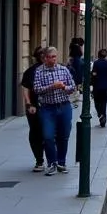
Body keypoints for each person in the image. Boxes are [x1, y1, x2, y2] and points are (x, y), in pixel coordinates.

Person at [33, 46, 76, 175]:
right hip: (48, 108)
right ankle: (52, 162)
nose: (52, 60)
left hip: (64, 106)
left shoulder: (64, 70)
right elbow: (37, 89)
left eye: (54, 57)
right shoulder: (39, 71)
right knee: (48, 136)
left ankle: (61, 163)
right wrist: (52, 86)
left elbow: (72, 86)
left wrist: (64, 87)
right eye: (49, 57)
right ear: (44, 58)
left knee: (64, 136)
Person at [21, 46, 45, 172]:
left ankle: (42, 160)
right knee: (36, 133)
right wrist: (29, 104)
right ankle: (40, 159)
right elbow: (26, 89)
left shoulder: (53, 69)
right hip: (35, 107)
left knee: (40, 133)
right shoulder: (31, 71)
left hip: (45, 106)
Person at [90, 49, 107, 127]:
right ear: (106, 55)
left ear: (98, 55)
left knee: (97, 103)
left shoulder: (96, 63)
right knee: (104, 102)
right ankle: (103, 118)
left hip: (97, 87)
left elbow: (94, 74)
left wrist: (93, 80)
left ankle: (101, 115)